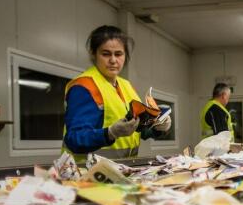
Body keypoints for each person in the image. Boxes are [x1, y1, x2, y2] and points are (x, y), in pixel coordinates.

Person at [63, 25, 171, 161]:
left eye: (118, 54)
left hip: (122, 169)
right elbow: (74, 139)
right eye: (106, 54)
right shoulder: (84, 86)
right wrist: (110, 133)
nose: (113, 60)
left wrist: (158, 127)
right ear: (93, 54)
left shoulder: (126, 86)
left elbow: (137, 129)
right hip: (87, 171)